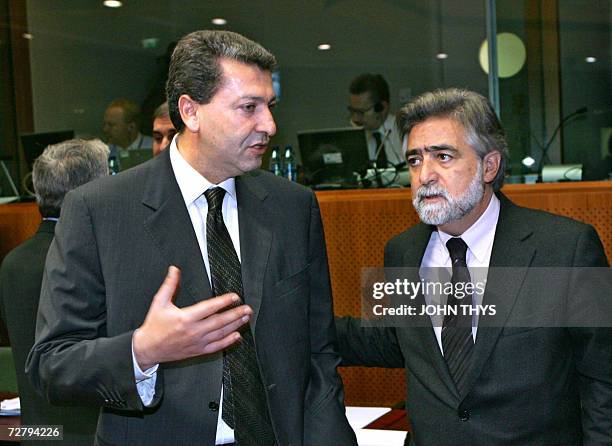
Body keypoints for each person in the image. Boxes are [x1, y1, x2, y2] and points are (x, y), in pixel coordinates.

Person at [27, 30, 356, 446]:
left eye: (269, 107)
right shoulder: (99, 211)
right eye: (248, 108)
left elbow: (318, 354)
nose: (269, 125)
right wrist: (143, 350)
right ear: (190, 111)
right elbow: (52, 365)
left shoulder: (292, 207)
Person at [336, 88, 611, 445]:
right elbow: (400, 340)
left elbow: (603, 379)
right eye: (415, 160)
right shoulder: (403, 251)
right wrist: (287, 319)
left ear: (489, 166)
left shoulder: (565, 248)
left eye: (443, 157)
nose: (425, 175)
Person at [0, 139, 109, 445]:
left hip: (36, 433)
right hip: (91, 435)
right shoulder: (96, 261)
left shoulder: (13, 263)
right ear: (94, 189)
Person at [348, 73, 404, 166]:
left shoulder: (406, 131)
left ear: (382, 108)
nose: (355, 118)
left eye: (361, 112)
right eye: (352, 111)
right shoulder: (353, 139)